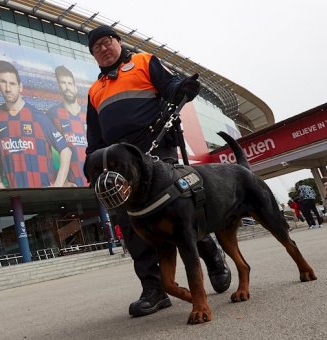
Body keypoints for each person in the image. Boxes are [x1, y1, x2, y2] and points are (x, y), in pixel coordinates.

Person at [84, 25, 231, 317]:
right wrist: (92, 164)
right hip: (120, 162)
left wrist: (183, 88)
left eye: (107, 41)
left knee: (178, 211)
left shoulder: (143, 62)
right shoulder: (94, 90)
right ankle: (154, 289)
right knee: (129, 221)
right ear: (93, 56)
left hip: (155, 149)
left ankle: (212, 255)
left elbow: (172, 86)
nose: (103, 48)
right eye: (96, 47)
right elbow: (95, 136)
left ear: (119, 42)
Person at [0, 60, 72, 188]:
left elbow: (66, 151)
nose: (8, 89)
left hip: (42, 195)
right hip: (15, 195)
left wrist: (58, 184)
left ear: (20, 87)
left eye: (12, 84)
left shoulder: (37, 117)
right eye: (3, 82)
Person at [47, 66, 88, 187]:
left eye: (70, 83)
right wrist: (61, 181)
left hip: (94, 181)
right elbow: (47, 151)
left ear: (75, 87)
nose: (67, 87)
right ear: (59, 88)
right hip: (72, 185)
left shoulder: (88, 113)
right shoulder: (52, 114)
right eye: (63, 83)